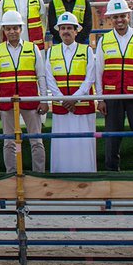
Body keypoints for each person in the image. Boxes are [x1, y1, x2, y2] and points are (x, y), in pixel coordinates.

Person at [89, 0, 133, 171]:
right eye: (115, 17)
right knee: (112, 139)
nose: (119, 20)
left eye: (122, 16)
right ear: (110, 19)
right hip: (112, 97)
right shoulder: (104, 40)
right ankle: (112, 173)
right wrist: (101, 98)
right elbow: (99, 72)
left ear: (128, 16)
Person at [0, 10, 49, 173]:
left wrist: (44, 100)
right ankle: (11, 174)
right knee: (9, 142)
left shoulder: (33, 48)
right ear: (4, 31)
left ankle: (39, 174)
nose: (12, 32)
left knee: (36, 141)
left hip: (30, 102)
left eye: (15, 28)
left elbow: (41, 76)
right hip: (7, 103)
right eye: (8, 29)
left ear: (21, 29)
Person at [44, 12, 96, 172]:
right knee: (62, 142)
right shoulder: (52, 52)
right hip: (62, 107)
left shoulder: (87, 51)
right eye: (63, 28)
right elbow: (49, 79)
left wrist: (75, 99)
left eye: (69, 28)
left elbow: (90, 78)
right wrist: (63, 100)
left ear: (76, 30)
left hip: (82, 106)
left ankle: (86, 173)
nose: (66, 31)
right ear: (58, 31)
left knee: (83, 142)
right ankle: (61, 173)